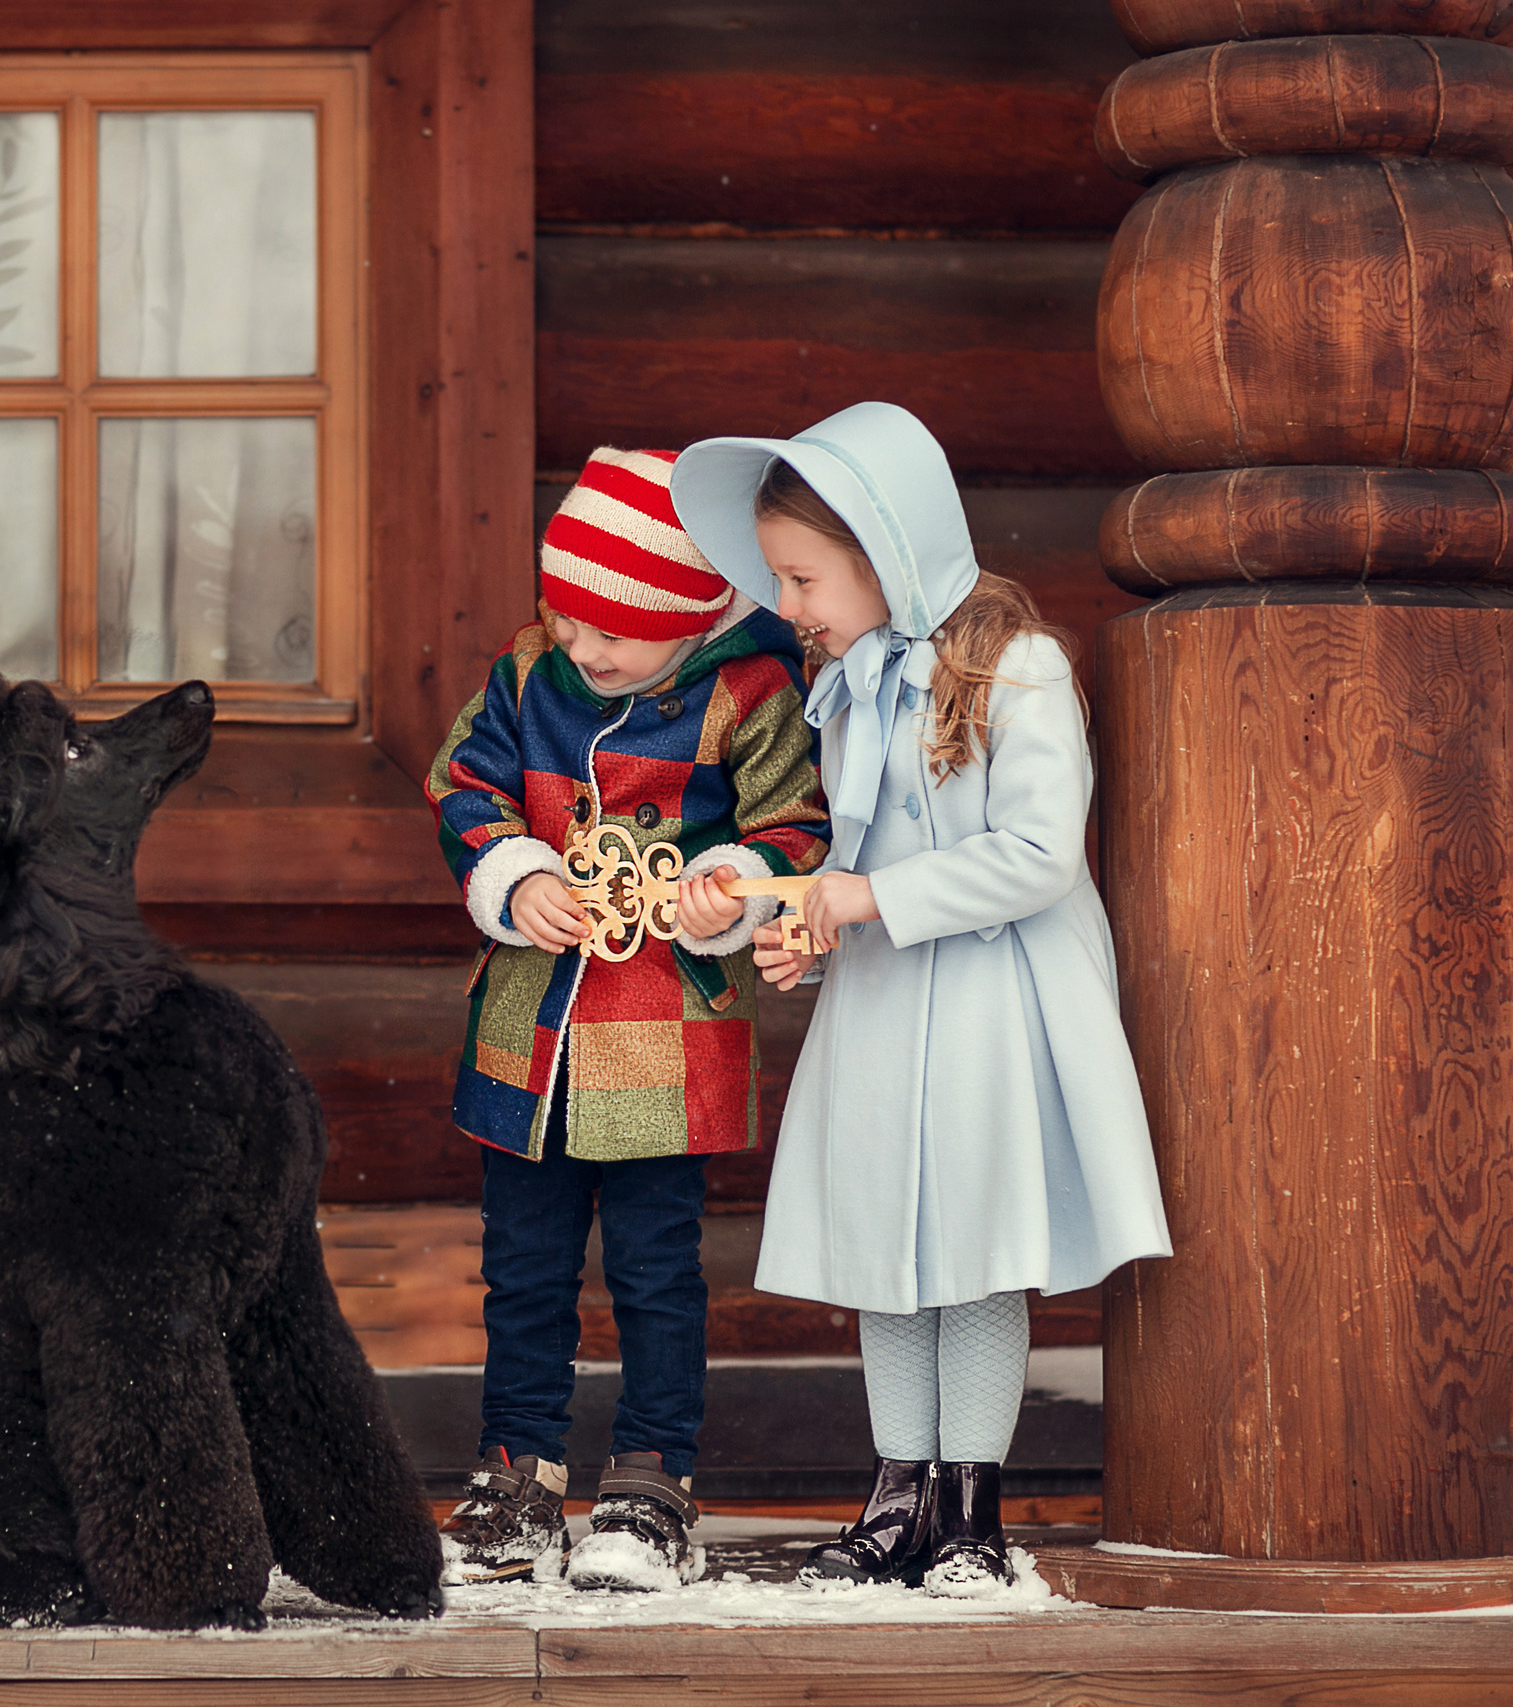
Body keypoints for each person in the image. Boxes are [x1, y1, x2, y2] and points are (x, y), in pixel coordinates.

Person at [670, 403, 1173, 1595]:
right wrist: (788, 920)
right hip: (890, 1007)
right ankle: (897, 1502)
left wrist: (861, 900)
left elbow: (1037, 856)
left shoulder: (1018, 667)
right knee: (884, 1253)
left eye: (801, 577)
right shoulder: (848, 686)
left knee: (973, 1255)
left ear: (886, 550)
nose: (785, 604)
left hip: (995, 1007)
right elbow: (848, 859)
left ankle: (969, 1517)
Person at [425, 447, 830, 1590]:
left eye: (615, 631)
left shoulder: (747, 693)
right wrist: (510, 872)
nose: (585, 647)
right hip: (532, 1034)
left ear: (691, 617)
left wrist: (731, 887)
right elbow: (463, 782)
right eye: (568, 618)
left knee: (655, 1271)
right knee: (523, 1268)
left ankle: (653, 1486)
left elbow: (795, 827)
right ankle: (516, 1478)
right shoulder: (526, 676)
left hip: (665, 1026)